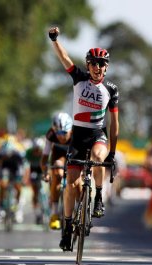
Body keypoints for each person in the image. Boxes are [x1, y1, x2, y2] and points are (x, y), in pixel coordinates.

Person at [48, 26, 119, 251]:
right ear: (88, 66)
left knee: (98, 157)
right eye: (94, 63)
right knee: (71, 184)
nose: (98, 67)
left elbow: (114, 123)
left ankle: (98, 197)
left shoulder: (111, 89)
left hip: (98, 134)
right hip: (78, 136)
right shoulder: (79, 78)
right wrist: (54, 39)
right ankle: (68, 227)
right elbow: (64, 57)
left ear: (106, 67)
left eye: (102, 64)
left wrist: (113, 153)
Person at [40, 112, 72, 230]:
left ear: (70, 130)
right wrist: (45, 172)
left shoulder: (76, 133)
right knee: (57, 174)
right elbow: (44, 158)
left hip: (74, 155)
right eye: (58, 133)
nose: (61, 136)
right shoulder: (51, 134)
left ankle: (80, 210)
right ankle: (54, 214)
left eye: (64, 133)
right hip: (58, 155)